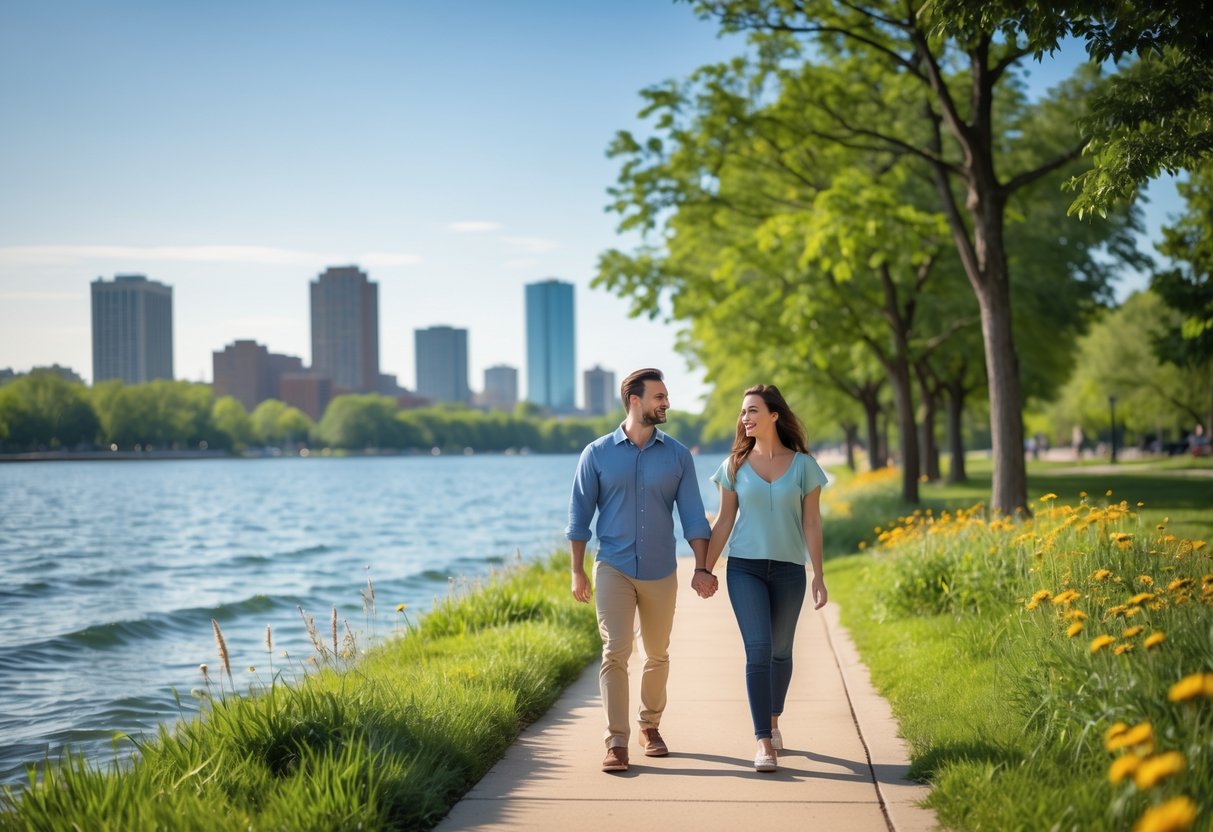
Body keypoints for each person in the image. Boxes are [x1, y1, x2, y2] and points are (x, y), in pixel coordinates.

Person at [567, 367, 712, 773]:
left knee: (658, 653)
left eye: (666, 396)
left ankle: (650, 726)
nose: (666, 403)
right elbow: (579, 518)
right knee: (615, 651)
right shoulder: (595, 454)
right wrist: (577, 570)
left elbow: (694, 518)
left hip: (661, 569)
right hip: (612, 565)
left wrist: (702, 567)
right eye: (659, 397)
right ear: (635, 400)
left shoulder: (679, 455)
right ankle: (616, 740)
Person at [703, 384, 828, 773]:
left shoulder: (805, 466)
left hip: (790, 569)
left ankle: (773, 720)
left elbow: (811, 521)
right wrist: (703, 568)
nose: (745, 418)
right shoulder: (734, 466)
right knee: (758, 650)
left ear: (774, 415)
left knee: (781, 652)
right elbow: (723, 522)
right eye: (743, 412)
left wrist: (818, 575)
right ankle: (763, 742)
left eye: (753, 410)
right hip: (745, 568)